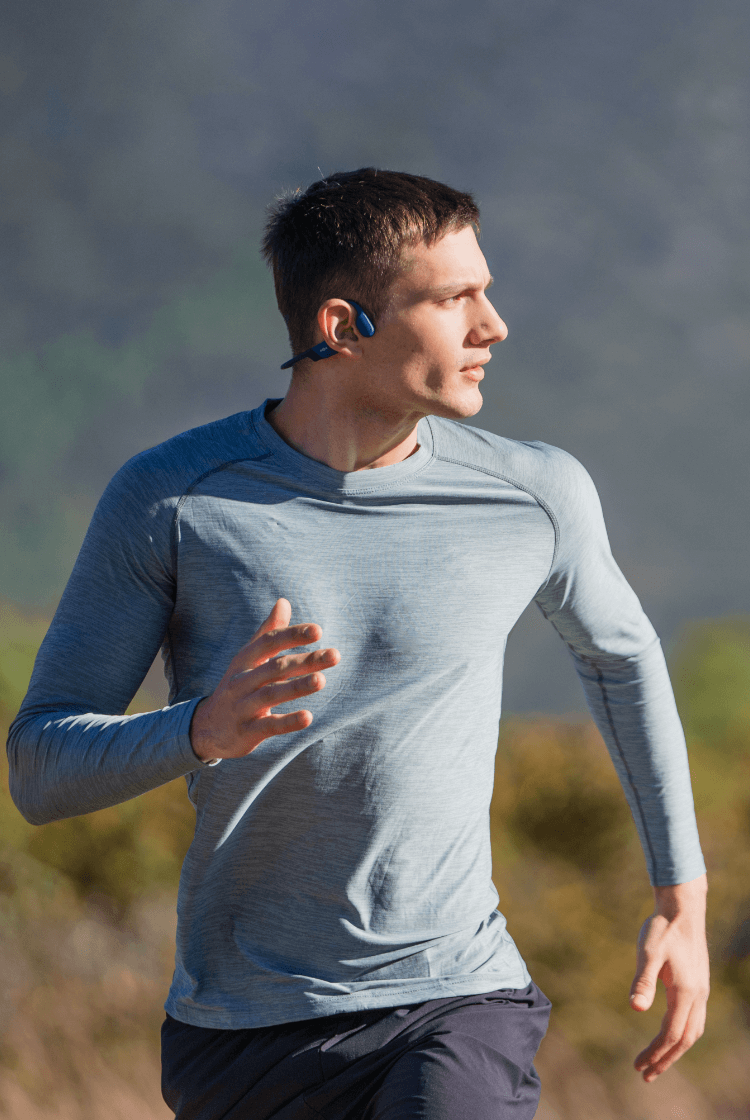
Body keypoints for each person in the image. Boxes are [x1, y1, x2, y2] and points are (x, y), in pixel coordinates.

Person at [7, 168, 709, 1119]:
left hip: (456, 996)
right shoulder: (174, 500)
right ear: (343, 326)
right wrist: (200, 730)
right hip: (243, 1029)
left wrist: (681, 898)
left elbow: (622, 659)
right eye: (454, 299)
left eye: (487, 291)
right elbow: (41, 769)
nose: (494, 326)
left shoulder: (534, 495)